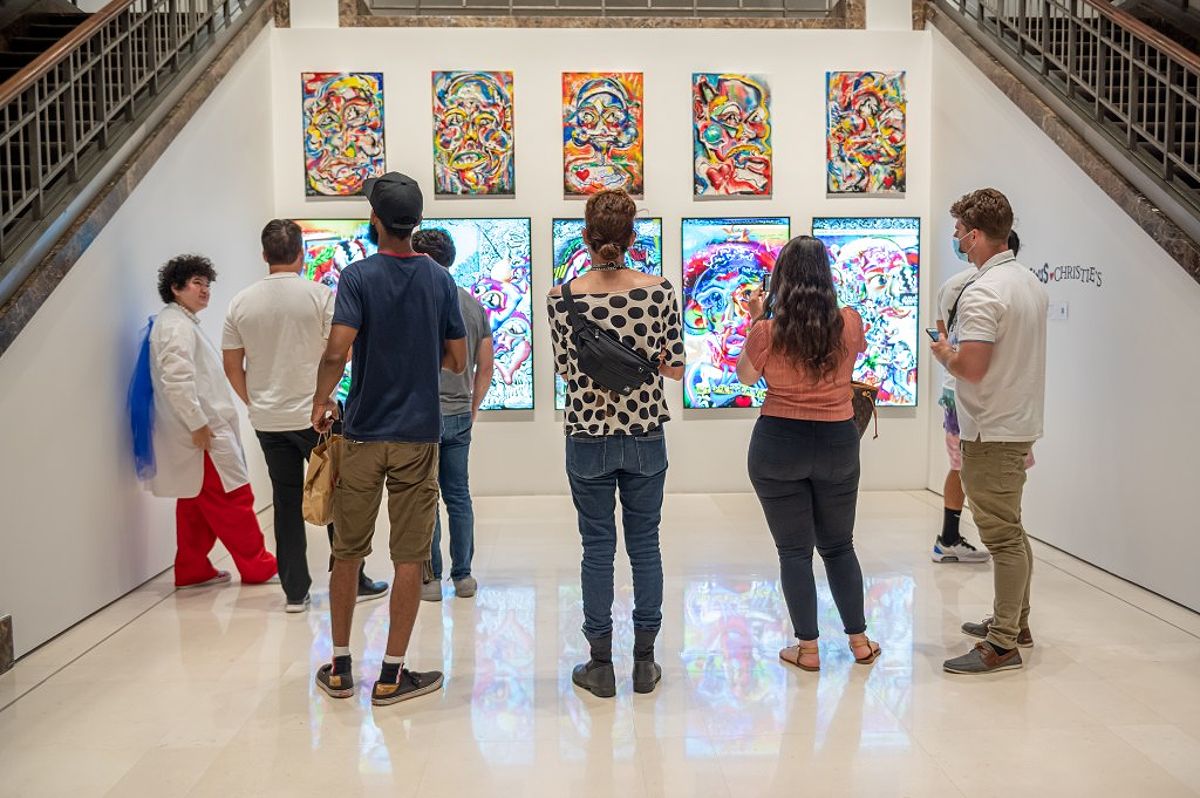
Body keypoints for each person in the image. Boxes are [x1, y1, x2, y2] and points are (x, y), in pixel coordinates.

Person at [311, 172, 467, 706]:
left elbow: (337, 351)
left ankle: (339, 667)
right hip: (418, 436)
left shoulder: (357, 278)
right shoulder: (440, 281)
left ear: (374, 219)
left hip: (361, 432)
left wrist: (320, 399)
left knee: (347, 552)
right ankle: (392, 676)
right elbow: (458, 360)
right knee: (409, 557)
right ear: (416, 221)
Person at [547, 189, 685, 698]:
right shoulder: (660, 291)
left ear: (586, 237)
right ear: (632, 238)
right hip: (646, 432)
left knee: (597, 548)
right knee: (646, 545)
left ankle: (600, 663)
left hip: (587, 435)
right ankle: (645, 663)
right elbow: (673, 367)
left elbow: (567, 368)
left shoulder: (561, 299)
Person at [222, 219, 388, 613]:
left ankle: (295, 592)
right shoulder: (320, 296)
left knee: (285, 501)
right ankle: (353, 580)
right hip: (319, 415)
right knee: (336, 499)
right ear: (301, 253)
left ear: (264, 256)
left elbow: (232, 364)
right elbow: (342, 351)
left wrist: (256, 402)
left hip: (269, 421)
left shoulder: (241, 302)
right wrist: (324, 392)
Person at [736, 236, 881, 673]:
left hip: (778, 443)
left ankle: (808, 648)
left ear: (781, 278)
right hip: (838, 441)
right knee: (839, 546)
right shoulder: (850, 322)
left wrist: (759, 319)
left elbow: (745, 378)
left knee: (794, 552)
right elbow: (856, 356)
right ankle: (858, 641)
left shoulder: (767, 331)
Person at [932, 188, 1048, 675]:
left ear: (975, 235)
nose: (957, 240)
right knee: (1012, 530)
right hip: (1015, 421)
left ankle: (1002, 644)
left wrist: (943, 353)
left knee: (1001, 536)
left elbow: (972, 367)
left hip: (991, 427)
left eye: (959, 232)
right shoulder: (1028, 282)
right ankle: (1014, 622)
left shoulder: (983, 292)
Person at [148, 255, 278, 589]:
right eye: (196, 283)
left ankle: (192, 567)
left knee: (193, 504)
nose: (205, 290)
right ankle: (257, 565)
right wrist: (198, 424)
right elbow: (176, 381)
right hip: (203, 434)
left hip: (201, 430)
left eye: (207, 284)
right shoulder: (176, 327)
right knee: (233, 499)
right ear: (175, 288)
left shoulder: (179, 322)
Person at [931, 229, 1029, 564]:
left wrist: (949, 354)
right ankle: (964, 536)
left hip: (955, 387)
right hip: (983, 393)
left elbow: (941, 335)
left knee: (960, 465)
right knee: (981, 468)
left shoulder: (953, 285)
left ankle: (951, 535)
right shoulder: (1004, 287)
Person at [411, 228, 494, 603]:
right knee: (458, 495)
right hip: (460, 413)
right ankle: (464, 577)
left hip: (420, 416)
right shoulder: (472, 305)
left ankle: (431, 579)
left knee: (425, 496)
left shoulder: (412, 301)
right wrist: (473, 407)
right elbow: (486, 366)